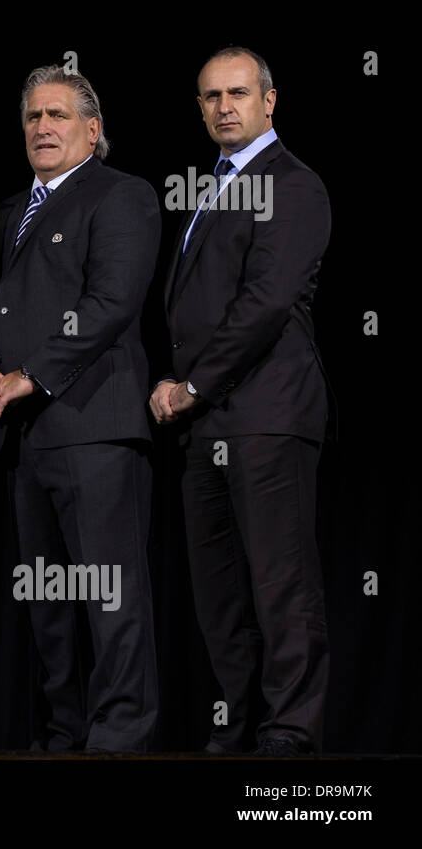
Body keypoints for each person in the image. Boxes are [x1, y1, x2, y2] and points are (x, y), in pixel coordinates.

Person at [0, 66, 161, 752]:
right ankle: (63, 736)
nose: (42, 128)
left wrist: (30, 376)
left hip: (94, 428)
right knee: (47, 606)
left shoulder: (122, 196)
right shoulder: (4, 213)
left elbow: (110, 304)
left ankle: (119, 738)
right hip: (23, 441)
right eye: (32, 117)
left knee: (110, 596)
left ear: (93, 129)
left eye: (58, 115)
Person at [151, 47, 331, 756]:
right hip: (209, 426)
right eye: (211, 96)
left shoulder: (293, 183)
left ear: (270, 101)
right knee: (221, 593)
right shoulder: (212, 185)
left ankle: (289, 738)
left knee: (280, 585)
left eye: (238, 93)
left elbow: (265, 303)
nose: (225, 106)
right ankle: (244, 728)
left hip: (267, 414)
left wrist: (190, 386)